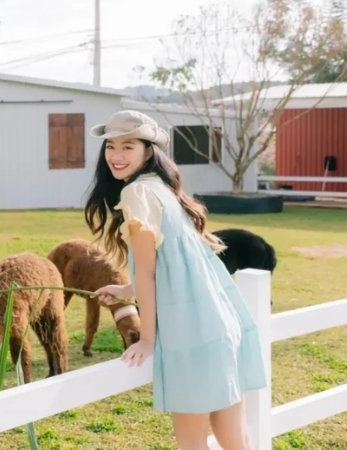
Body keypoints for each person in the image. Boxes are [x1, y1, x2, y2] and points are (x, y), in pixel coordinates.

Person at [83, 110, 267, 450]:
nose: (116, 155)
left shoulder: (137, 193)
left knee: (191, 443)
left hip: (191, 333)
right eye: (110, 146)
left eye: (127, 146)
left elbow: (150, 271)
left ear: (148, 152)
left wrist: (147, 339)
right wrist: (126, 290)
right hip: (219, 324)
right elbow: (173, 265)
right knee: (236, 440)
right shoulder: (163, 189)